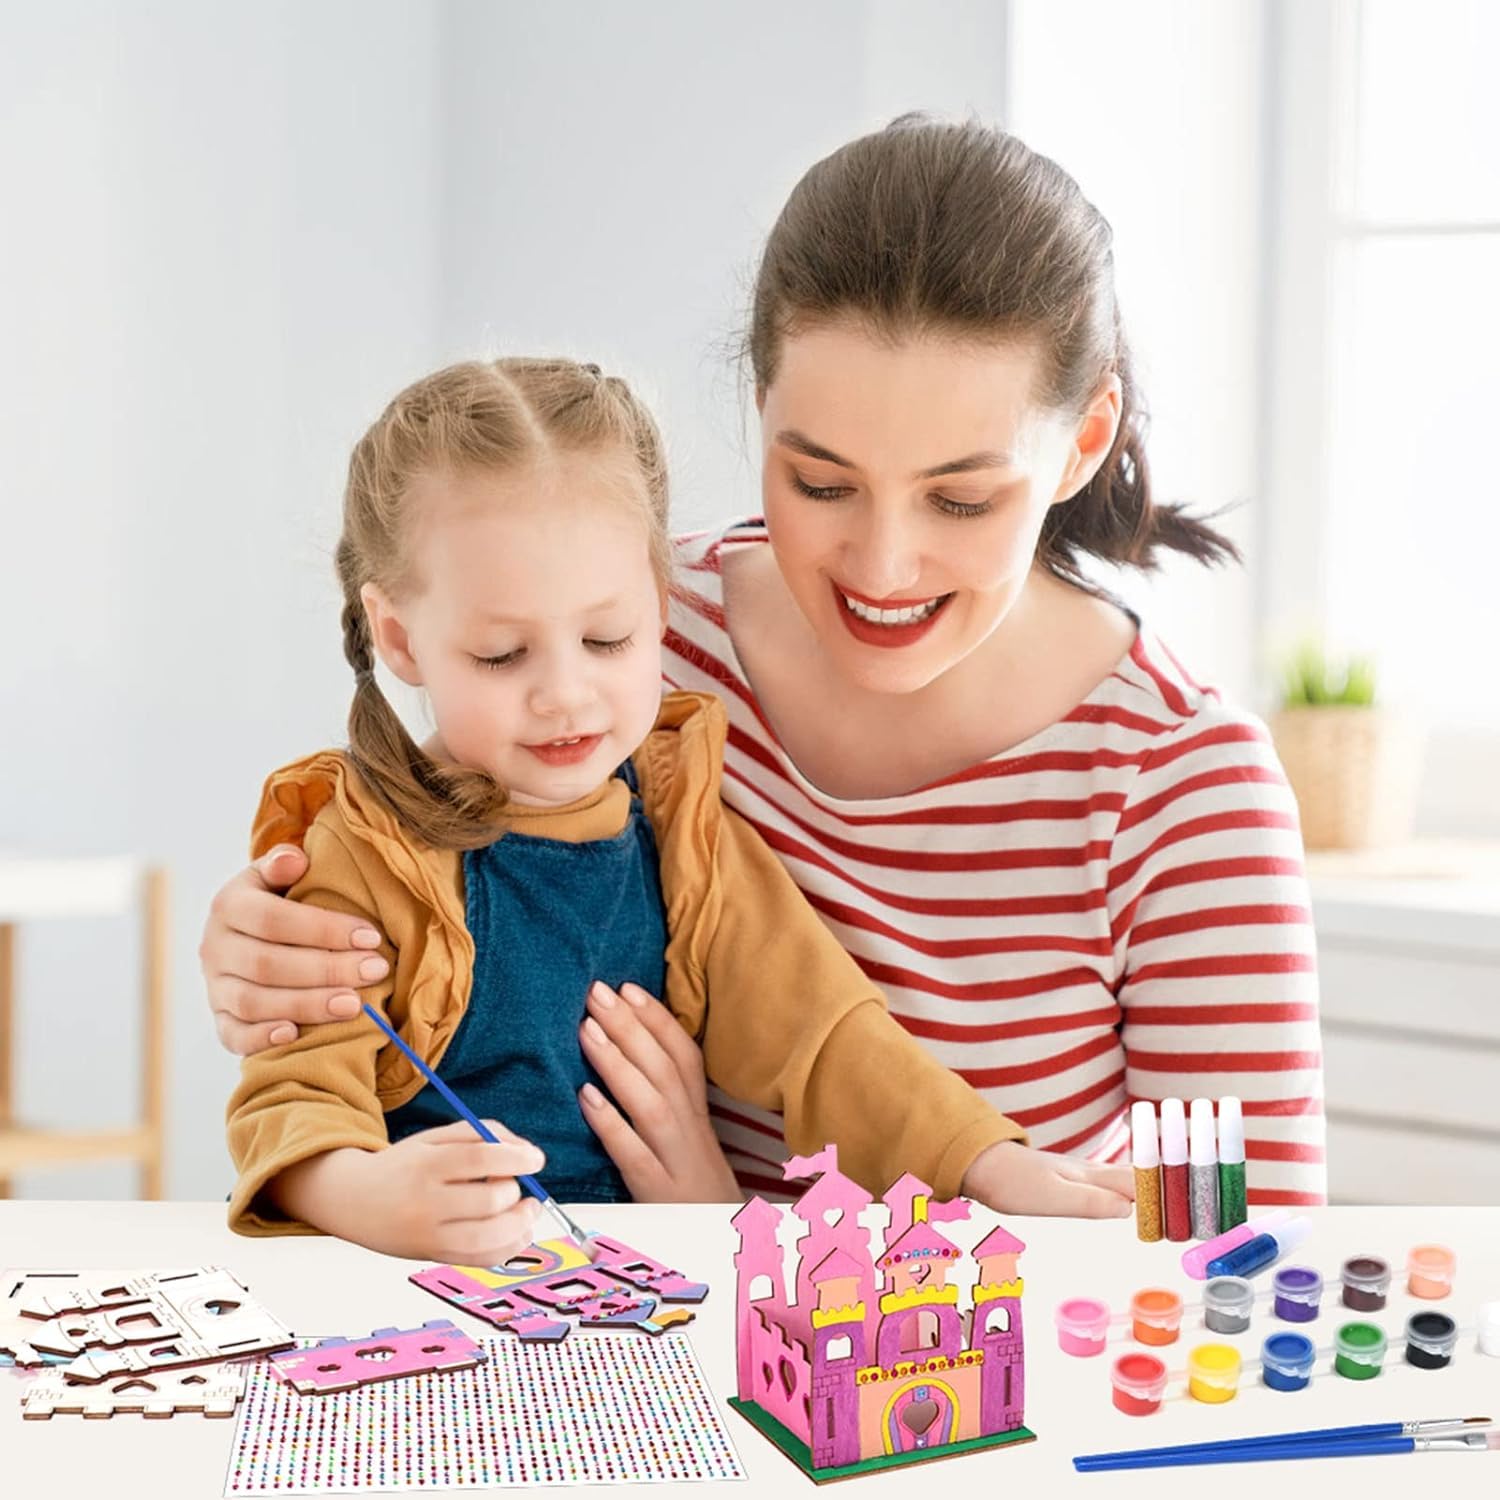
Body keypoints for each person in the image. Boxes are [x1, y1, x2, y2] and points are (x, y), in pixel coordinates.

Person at [205, 117, 1325, 1210]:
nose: (883, 567)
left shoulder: (1180, 789)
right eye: (822, 482)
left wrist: (723, 1227)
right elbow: (405, 878)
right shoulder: (634, 638)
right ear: (763, 413)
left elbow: (1240, 1283)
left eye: (962, 497)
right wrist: (272, 947)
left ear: (1081, 442)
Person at [227, 354, 1133, 1267]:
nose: (565, 696)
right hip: (421, 1314)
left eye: (606, 638)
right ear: (398, 638)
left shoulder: (680, 824)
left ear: (660, 608)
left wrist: (985, 1163)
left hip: (632, 1309)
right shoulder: (364, 849)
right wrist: (364, 1195)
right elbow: (290, 1099)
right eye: (502, 654)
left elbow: (825, 1035)